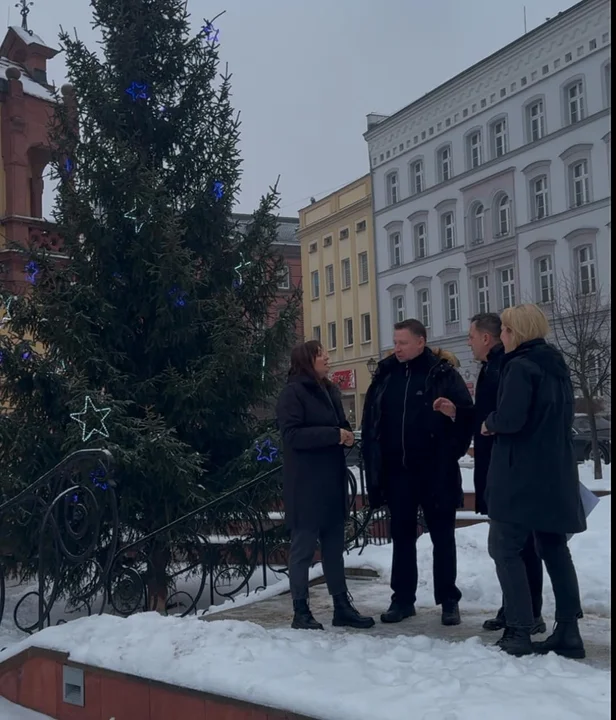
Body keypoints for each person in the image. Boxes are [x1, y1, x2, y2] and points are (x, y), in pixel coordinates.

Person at [481, 304, 586, 657]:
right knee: (555, 549)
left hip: (520, 476)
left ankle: (519, 630)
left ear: (516, 333)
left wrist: (489, 421)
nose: (503, 337)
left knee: (505, 547)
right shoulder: (556, 367)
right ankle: (569, 631)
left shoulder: (519, 367)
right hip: (554, 472)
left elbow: (511, 419)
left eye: (506, 331)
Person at [434, 313, 545, 636]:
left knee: (514, 545)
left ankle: (526, 612)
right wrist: (459, 412)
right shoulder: (493, 367)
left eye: (471, 336)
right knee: (513, 545)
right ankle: (516, 607)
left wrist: (483, 422)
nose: (467, 342)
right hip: (497, 466)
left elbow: (503, 417)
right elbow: (485, 414)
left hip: (506, 469)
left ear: (486, 338)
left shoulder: (505, 367)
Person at [361, 319, 473, 626]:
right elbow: (372, 419)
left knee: (443, 537)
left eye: (403, 343)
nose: (396, 348)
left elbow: (467, 416)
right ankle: (402, 599)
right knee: (402, 536)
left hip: (436, 471)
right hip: (399, 472)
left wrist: (451, 443)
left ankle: (449, 600)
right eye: (395, 342)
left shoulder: (442, 374)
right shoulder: (386, 375)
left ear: (421, 342)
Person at [276, 340, 375, 631]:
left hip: (332, 481)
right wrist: (333, 434)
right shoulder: (293, 393)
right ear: (308, 361)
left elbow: (339, 425)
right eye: (322, 355)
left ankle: (341, 606)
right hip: (306, 485)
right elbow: (292, 435)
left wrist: (344, 435)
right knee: (303, 549)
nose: (329, 359)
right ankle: (300, 610)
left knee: (334, 547)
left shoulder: (330, 390)